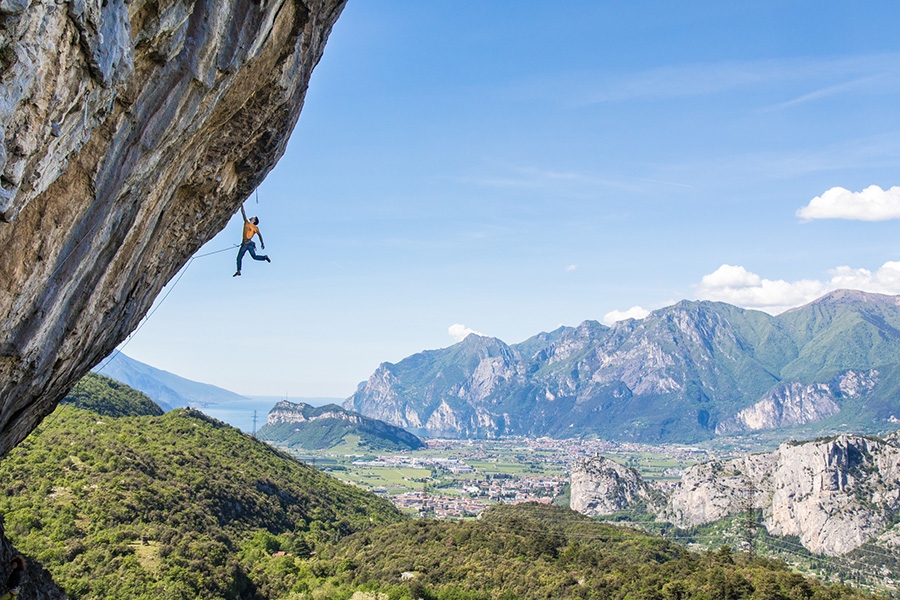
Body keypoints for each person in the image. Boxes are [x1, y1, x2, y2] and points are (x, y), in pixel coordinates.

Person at [233, 203, 270, 277]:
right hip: (244, 244)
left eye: (253, 218)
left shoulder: (255, 228)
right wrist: (241, 204)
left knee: (254, 256)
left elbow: (259, 235)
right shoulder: (246, 222)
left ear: (254, 220)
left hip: (249, 243)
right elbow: (243, 213)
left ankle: (264, 257)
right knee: (239, 258)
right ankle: (239, 271)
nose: (252, 217)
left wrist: (262, 243)